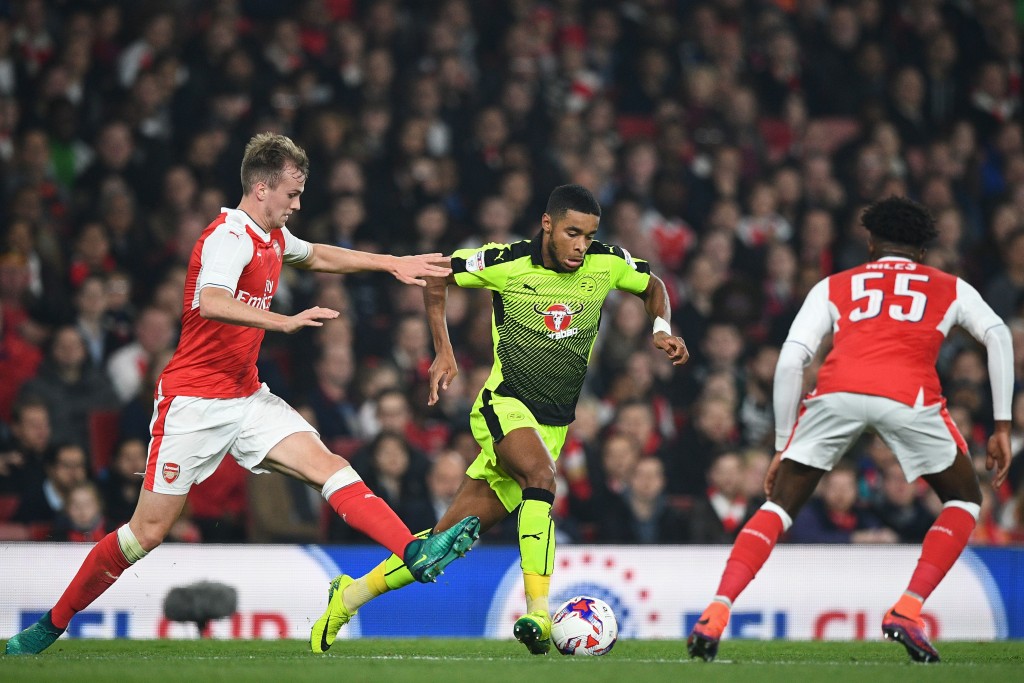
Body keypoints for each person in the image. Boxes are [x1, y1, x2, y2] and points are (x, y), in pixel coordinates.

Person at [5, 132, 481, 656]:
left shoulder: (273, 235)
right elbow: (210, 300)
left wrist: (390, 263)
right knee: (146, 533)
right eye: (292, 194)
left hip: (247, 397)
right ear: (260, 188)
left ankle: (413, 552)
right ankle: (50, 624)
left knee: (330, 466)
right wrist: (282, 321)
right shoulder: (228, 236)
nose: (297, 205)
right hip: (192, 403)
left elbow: (319, 255)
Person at [308, 184, 689, 655]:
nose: (581, 245)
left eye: (589, 236)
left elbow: (653, 285)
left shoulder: (606, 264)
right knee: (542, 478)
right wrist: (444, 352)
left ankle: (347, 596)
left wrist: (661, 328)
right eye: (572, 233)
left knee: (438, 548)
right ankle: (538, 611)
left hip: (552, 427)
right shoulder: (503, 261)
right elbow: (436, 275)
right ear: (547, 224)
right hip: (503, 406)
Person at [687, 196, 1013, 664]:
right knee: (964, 500)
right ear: (921, 252)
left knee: (778, 506)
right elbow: (999, 335)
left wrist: (782, 444)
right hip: (909, 395)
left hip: (837, 390)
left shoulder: (834, 284)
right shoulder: (949, 286)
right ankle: (907, 609)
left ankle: (716, 611)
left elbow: (791, 359)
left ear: (870, 243)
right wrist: (1001, 425)